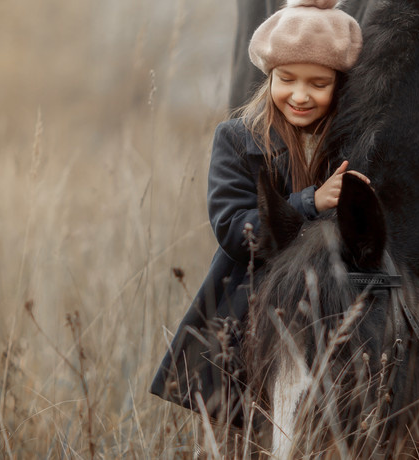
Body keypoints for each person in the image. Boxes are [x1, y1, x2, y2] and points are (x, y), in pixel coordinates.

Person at [150, 0, 367, 426]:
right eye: (286, 79)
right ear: (269, 75)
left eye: (318, 83)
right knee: (245, 431)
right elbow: (234, 230)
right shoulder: (236, 138)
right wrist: (311, 202)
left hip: (330, 316)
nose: (300, 95)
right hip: (248, 318)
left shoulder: (350, 143)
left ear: (339, 85)